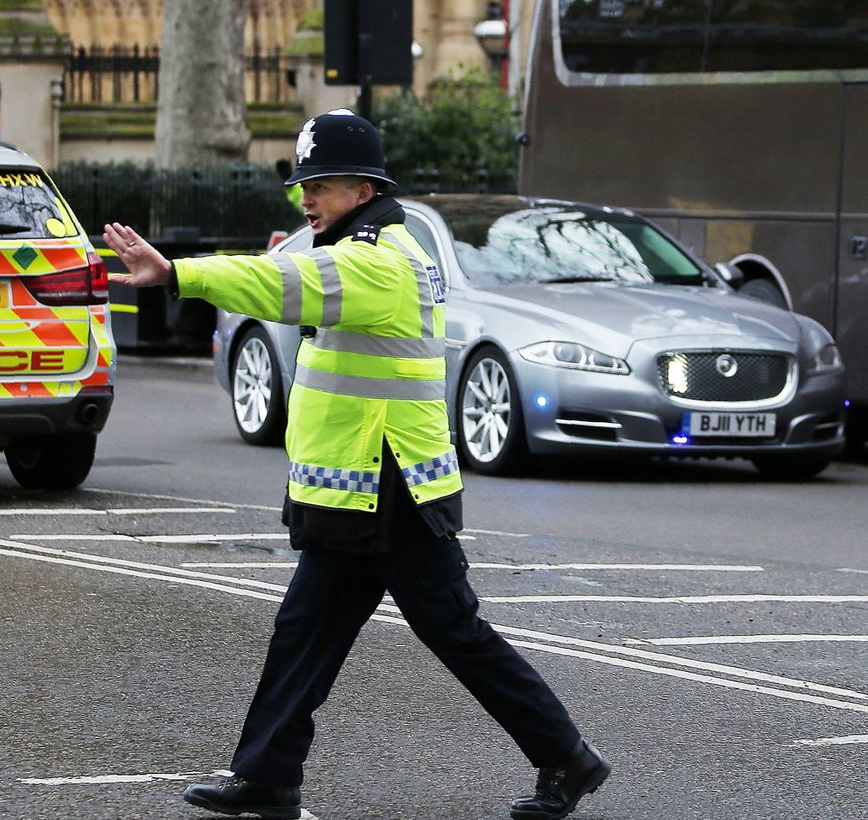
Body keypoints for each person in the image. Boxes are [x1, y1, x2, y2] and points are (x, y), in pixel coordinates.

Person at [102, 109, 610, 820]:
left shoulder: (382, 262)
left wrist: (177, 272)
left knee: (453, 632)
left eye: (324, 185)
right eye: (304, 185)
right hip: (356, 487)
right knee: (305, 630)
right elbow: (289, 274)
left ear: (366, 189)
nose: (307, 198)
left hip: (395, 487)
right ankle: (269, 777)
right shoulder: (348, 245)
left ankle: (567, 758)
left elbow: (279, 286)